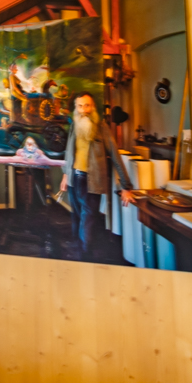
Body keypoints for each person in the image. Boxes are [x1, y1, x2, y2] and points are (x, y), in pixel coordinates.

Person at [59, 93, 136, 260]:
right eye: (80, 106)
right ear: (76, 108)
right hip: (74, 178)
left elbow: (115, 155)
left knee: (88, 218)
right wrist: (65, 175)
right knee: (77, 216)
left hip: (91, 180)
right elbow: (68, 152)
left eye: (87, 105)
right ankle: (79, 249)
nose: (83, 110)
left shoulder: (102, 127)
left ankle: (85, 254)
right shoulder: (74, 126)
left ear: (92, 107)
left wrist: (126, 186)